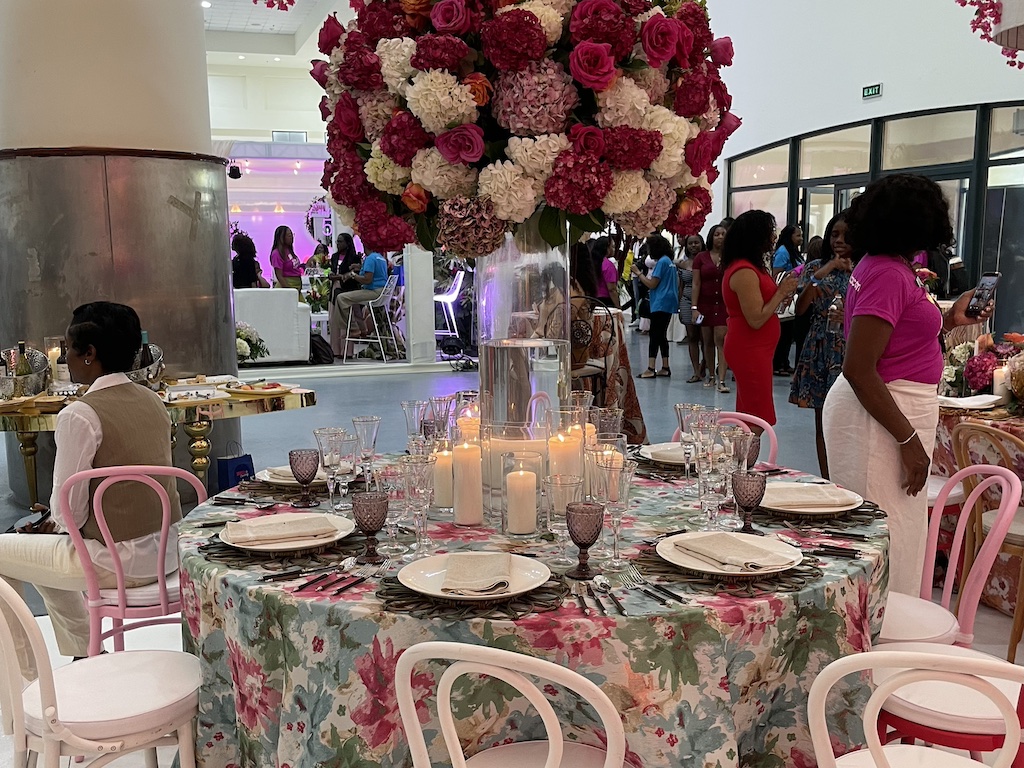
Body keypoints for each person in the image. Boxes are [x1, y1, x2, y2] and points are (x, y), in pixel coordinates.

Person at [822, 173, 993, 596]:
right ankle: (877, 644)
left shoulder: (888, 267)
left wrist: (952, 318)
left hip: (886, 406)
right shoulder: (887, 273)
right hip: (878, 415)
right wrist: (908, 441)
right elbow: (859, 368)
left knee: (896, 532)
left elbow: (897, 341)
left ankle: (884, 639)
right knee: (883, 538)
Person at [0, 302, 180, 674]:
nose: (64, 357)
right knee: (42, 549)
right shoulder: (154, 401)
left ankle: (26, 682)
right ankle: (86, 654)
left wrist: (55, 520)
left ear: (89, 354)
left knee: (8, 550)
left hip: (114, 562)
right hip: (166, 552)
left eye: (67, 349)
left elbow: (71, 512)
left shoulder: (79, 414)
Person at [789, 212, 857, 478]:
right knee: (823, 421)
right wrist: (824, 270)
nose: (839, 240)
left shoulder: (864, 268)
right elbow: (800, 308)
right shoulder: (815, 266)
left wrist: (848, 316)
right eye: (834, 234)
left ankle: (849, 480)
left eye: (845, 235)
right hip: (820, 345)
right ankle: (827, 479)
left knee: (851, 420)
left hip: (851, 346)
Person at [721, 211, 798, 427]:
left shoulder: (753, 267)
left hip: (757, 347)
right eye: (770, 233)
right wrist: (781, 292)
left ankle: (744, 460)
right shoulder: (744, 271)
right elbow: (755, 318)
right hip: (749, 348)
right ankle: (743, 459)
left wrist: (781, 294)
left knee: (750, 412)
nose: (774, 238)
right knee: (756, 417)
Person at [631, 234, 678, 379]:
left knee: (655, 335)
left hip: (660, 302)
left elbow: (652, 284)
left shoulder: (662, 263)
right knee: (662, 335)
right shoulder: (669, 261)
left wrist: (638, 273)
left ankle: (651, 368)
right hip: (669, 302)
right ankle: (665, 366)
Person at [691, 224, 730, 392]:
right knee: (707, 341)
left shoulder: (730, 257)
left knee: (721, 340)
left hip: (723, 304)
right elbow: (696, 282)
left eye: (723, 234)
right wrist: (694, 307)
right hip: (704, 303)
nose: (720, 237)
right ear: (711, 237)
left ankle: (722, 380)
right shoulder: (701, 257)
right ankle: (711, 375)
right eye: (717, 234)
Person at [334, 248, 389, 346]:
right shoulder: (380, 257)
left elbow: (367, 280)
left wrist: (353, 275)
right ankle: (362, 329)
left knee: (341, 298)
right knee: (352, 301)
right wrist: (360, 268)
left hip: (373, 292)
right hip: (381, 292)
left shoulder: (370, 259)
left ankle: (354, 329)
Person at [771, 224, 804, 376]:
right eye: (798, 235)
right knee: (782, 333)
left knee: (788, 333)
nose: (801, 239)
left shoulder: (794, 252)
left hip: (793, 295)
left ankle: (784, 362)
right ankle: (777, 364)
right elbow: (777, 274)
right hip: (783, 296)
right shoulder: (783, 252)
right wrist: (798, 271)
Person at [677, 234, 705, 382]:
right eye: (690, 243)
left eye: (696, 243)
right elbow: (680, 286)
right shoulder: (682, 264)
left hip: (704, 303)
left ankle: (704, 365)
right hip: (687, 302)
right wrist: (680, 307)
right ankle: (696, 371)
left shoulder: (708, 262)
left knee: (705, 338)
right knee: (692, 337)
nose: (693, 246)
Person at [269, 226, 303, 293]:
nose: (292, 237)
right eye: (289, 235)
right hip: (287, 286)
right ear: (282, 237)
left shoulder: (289, 250)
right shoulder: (277, 253)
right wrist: (289, 290)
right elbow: (279, 275)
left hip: (296, 285)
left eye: (292, 234)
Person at [590, 236, 620, 308]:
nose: (614, 249)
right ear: (607, 248)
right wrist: (618, 306)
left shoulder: (592, 262)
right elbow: (612, 289)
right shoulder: (608, 265)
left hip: (592, 299)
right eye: (612, 247)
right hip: (605, 301)